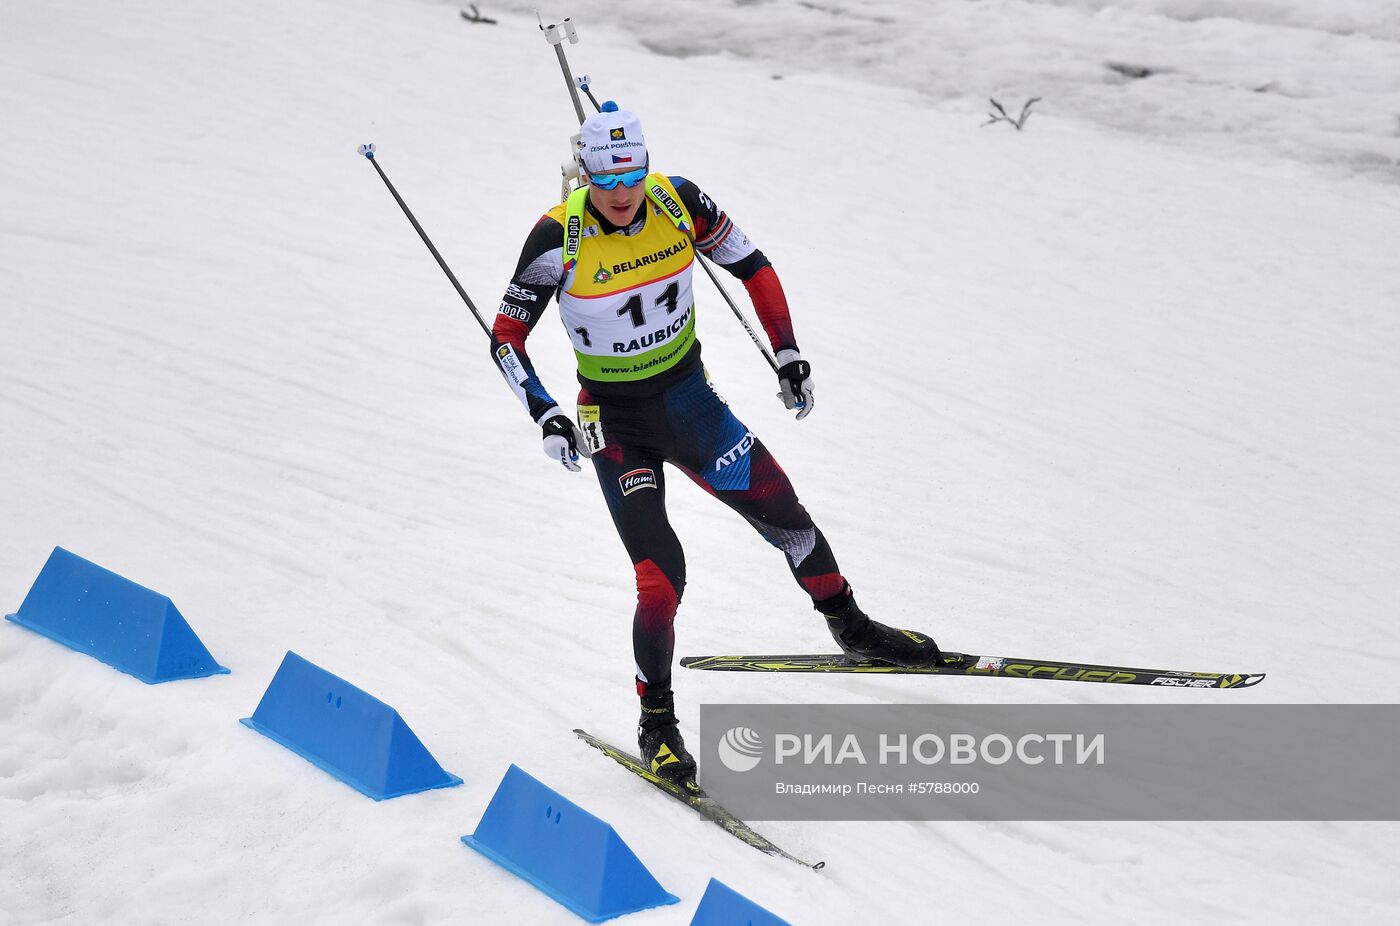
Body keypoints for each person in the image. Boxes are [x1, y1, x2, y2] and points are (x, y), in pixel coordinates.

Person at [489, 102, 941, 789]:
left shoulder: (679, 201)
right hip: (617, 426)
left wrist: (786, 352)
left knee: (791, 523)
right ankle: (658, 722)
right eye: (606, 177)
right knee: (659, 578)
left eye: (631, 173)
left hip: (691, 406)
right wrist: (544, 412)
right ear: (585, 172)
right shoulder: (559, 238)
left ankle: (853, 628)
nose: (620, 192)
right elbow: (506, 336)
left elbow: (753, 264)